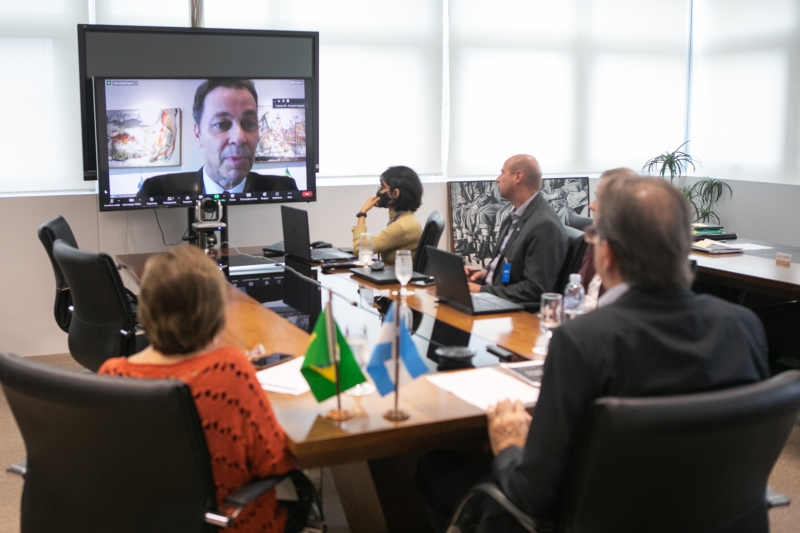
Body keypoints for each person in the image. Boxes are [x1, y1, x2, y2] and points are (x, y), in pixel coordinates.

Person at [417, 175, 769, 533]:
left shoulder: (582, 342)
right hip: (709, 514)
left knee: (434, 465)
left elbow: (533, 494)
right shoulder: (744, 327)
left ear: (607, 253)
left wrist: (508, 446)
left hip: (589, 518)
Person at [99, 246, 299, 533]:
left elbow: (108, 470)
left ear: (146, 307)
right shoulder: (228, 370)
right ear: (215, 311)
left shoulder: (113, 375)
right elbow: (272, 462)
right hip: (229, 523)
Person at [137, 79, 297, 200]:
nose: (239, 138)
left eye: (249, 124)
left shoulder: (283, 190)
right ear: (198, 134)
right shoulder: (156, 191)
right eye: (221, 125)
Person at [465, 154, 569, 304]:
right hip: (495, 298)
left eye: (502, 173)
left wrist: (480, 291)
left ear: (518, 177)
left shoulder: (544, 225)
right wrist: (484, 273)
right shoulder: (515, 216)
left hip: (513, 311)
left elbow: (535, 290)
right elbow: (510, 267)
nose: (497, 179)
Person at [577, 167, 639, 311]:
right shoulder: (597, 238)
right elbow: (577, 290)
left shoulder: (633, 252)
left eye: (599, 199)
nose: (591, 206)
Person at [352, 165, 423, 265]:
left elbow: (359, 249)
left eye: (382, 187)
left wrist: (362, 213)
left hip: (396, 274)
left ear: (395, 193)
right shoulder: (407, 217)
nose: (379, 192)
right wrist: (388, 206)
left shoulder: (402, 227)